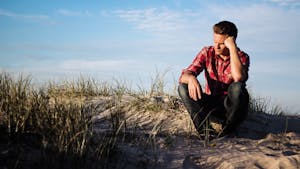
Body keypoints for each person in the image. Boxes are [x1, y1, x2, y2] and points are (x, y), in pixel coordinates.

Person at [178, 21, 250, 136]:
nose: (216, 46)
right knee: (182, 87)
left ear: (231, 41)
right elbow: (184, 75)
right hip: (211, 104)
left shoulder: (242, 56)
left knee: (238, 87)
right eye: (215, 42)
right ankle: (206, 133)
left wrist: (232, 48)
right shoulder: (207, 52)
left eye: (221, 43)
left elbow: (238, 77)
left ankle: (227, 133)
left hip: (232, 108)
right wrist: (191, 78)